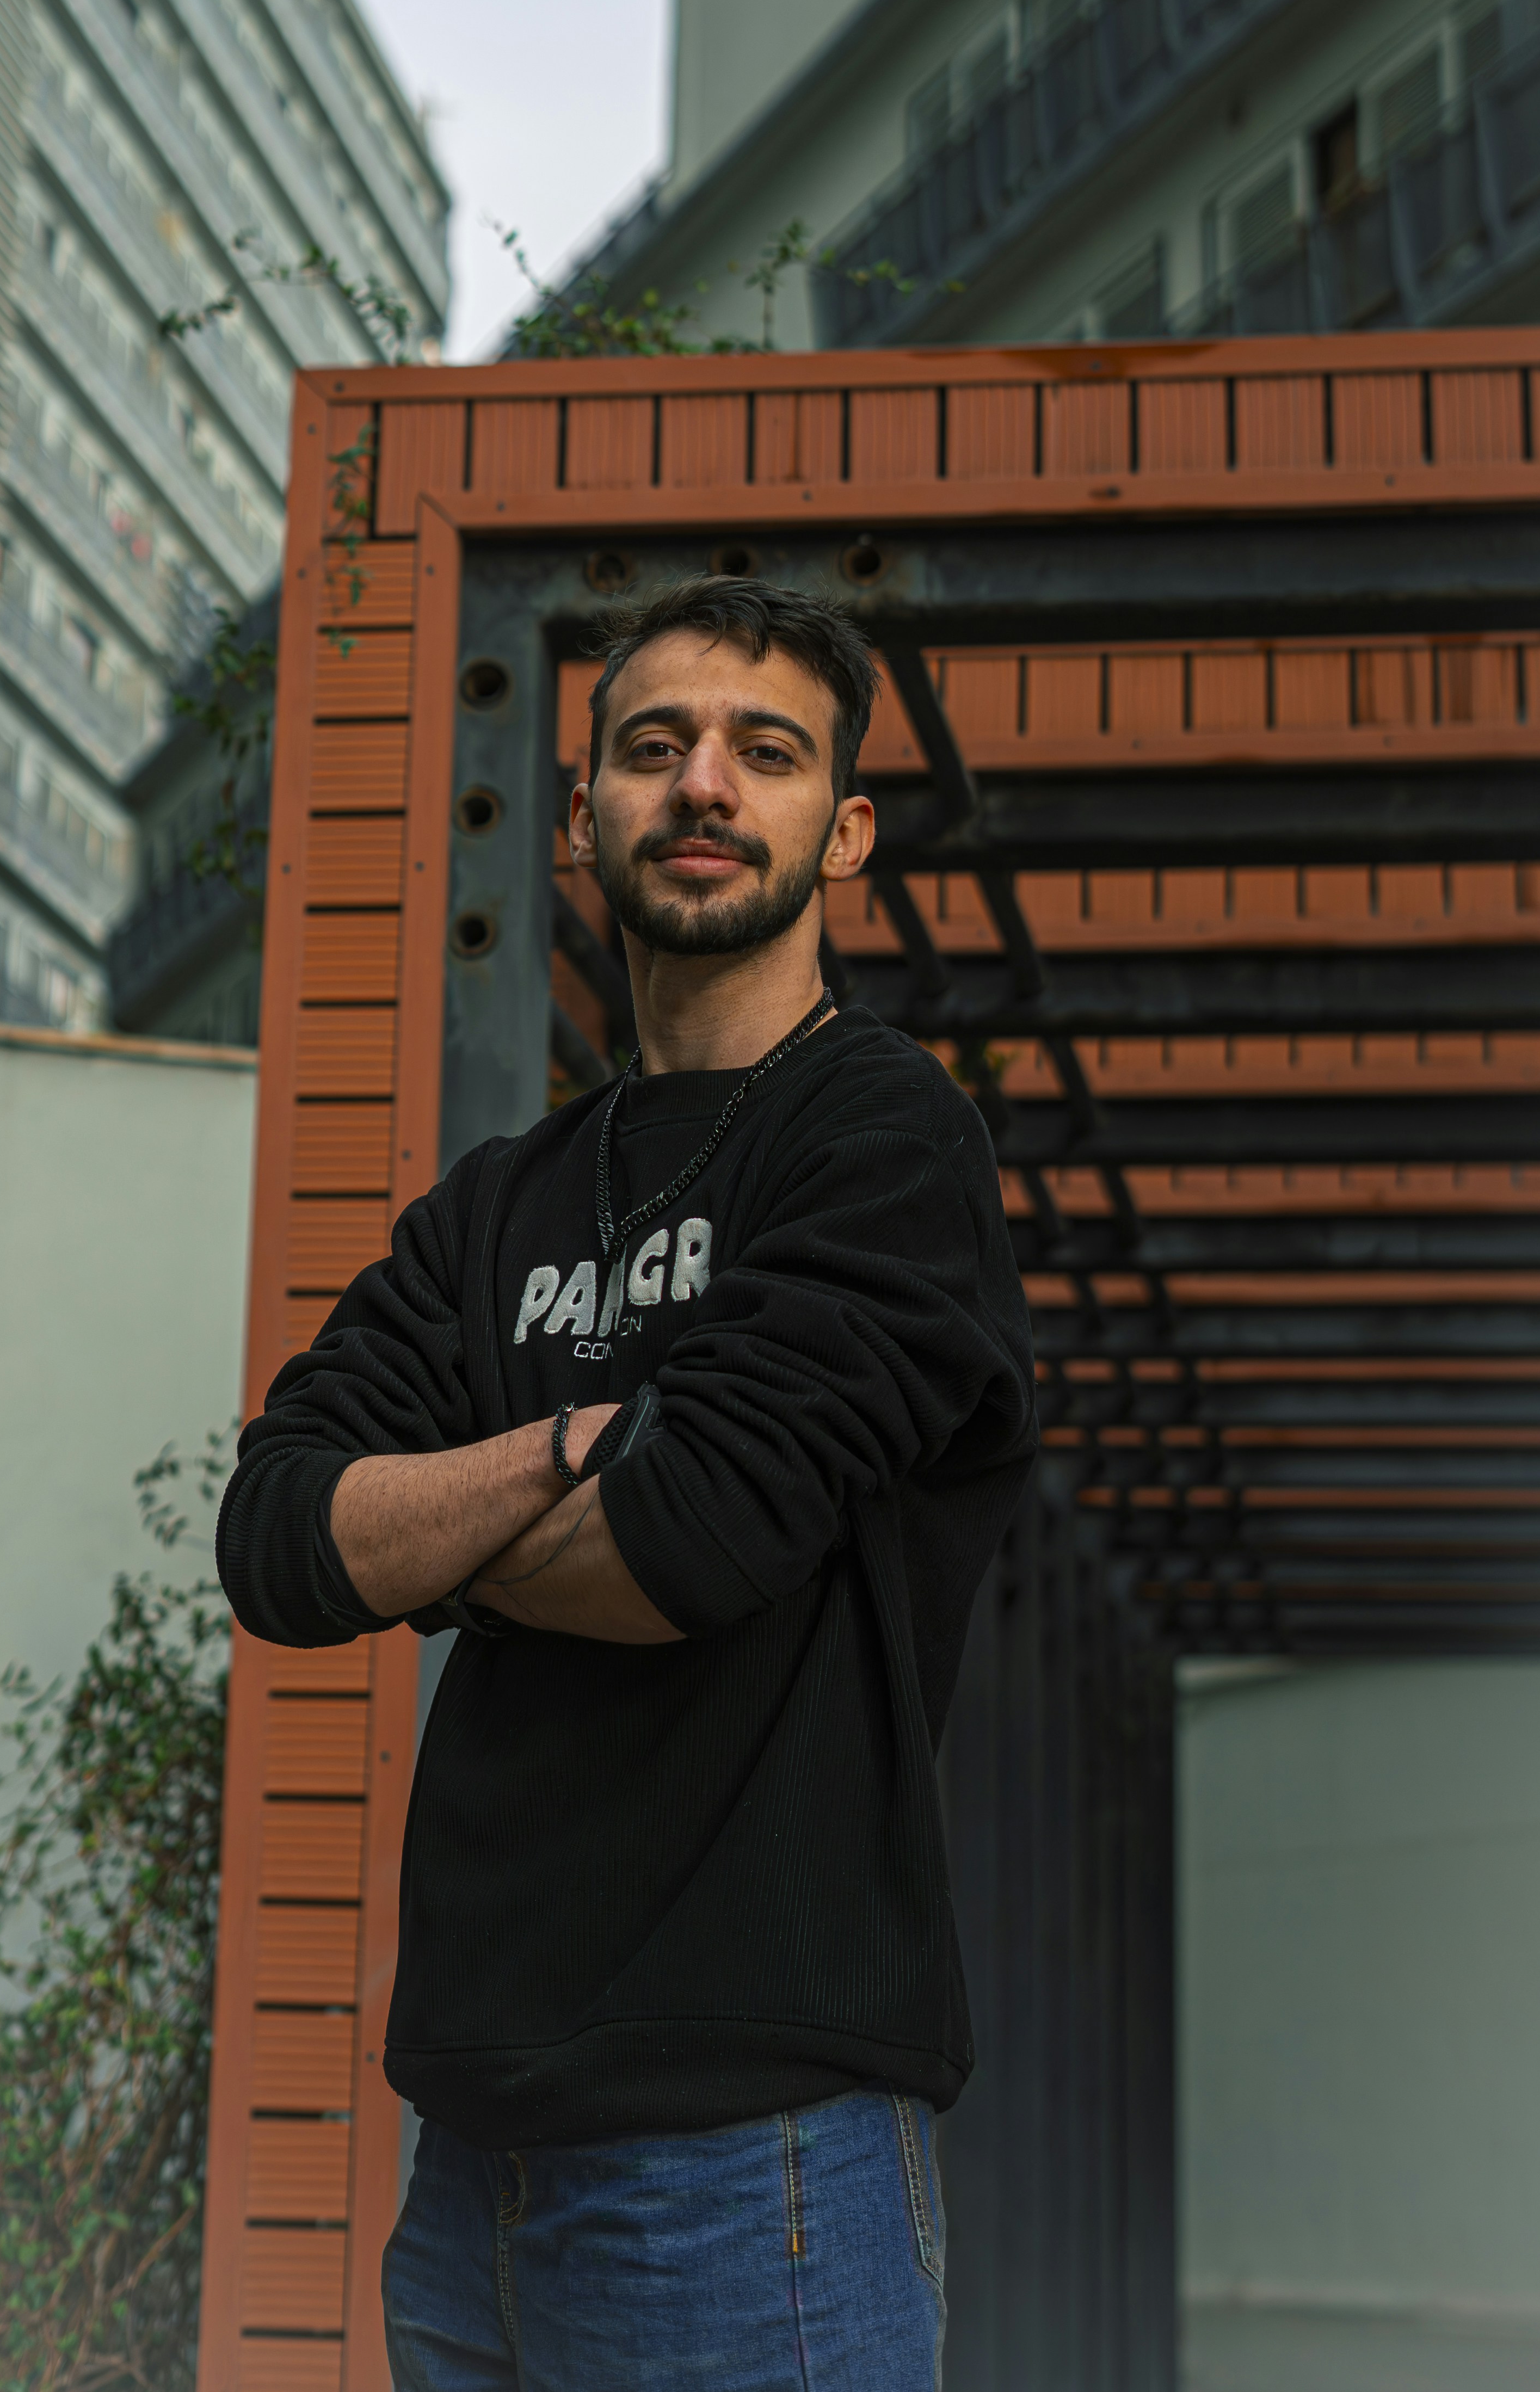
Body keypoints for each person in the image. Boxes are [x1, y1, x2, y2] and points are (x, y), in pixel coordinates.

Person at [217, 575, 1037, 2390]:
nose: (704, 787)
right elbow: (277, 1533)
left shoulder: (886, 1140)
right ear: (581, 815)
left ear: (847, 833)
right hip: (471, 2165)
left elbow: (684, 1544)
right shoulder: (498, 1199)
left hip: (758, 2162)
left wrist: (425, 1529)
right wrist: (576, 1447)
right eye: (653, 748)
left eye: (767, 751)